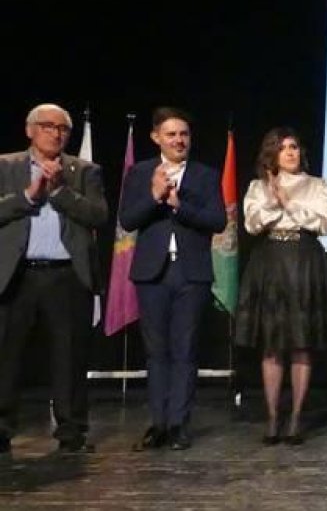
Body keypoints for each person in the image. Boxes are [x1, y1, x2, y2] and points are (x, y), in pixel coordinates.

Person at [0, 104, 107, 455]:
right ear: (30, 130)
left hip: (66, 276)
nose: (56, 133)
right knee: (7, 356)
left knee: (69, 357)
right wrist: (29, 196)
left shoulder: (84, 170)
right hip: (16, 275)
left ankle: (71, 431)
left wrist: (59, 191)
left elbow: (98, 215)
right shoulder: (6, 165)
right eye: (47, 126)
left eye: (62, 129)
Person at [120, 106, 225, 452]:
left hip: (191, 273)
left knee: (185, 350)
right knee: (156, 352)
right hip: (152, 273)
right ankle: (158, 424)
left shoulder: (205, 175)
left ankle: (179, 423)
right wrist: (154, 197)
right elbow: (128, 219)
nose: (179, 140)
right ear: (156, 137)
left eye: (184, 134)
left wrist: (180, 204)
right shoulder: (139, 173)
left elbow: (218, 221)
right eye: (171, 134)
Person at [234, 127, 327, 446]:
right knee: (272, 343)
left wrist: (290, 204)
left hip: (304, 259)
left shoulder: (317, 185)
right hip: (270, 260)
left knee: (301, 342)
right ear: (272, 154)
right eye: (283, 148)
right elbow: (251, 224)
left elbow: (325, 223)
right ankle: (272, 417)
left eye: (294, 146)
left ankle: (295, 418)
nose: (291, 152)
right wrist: (274, 202)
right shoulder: (257, 186)